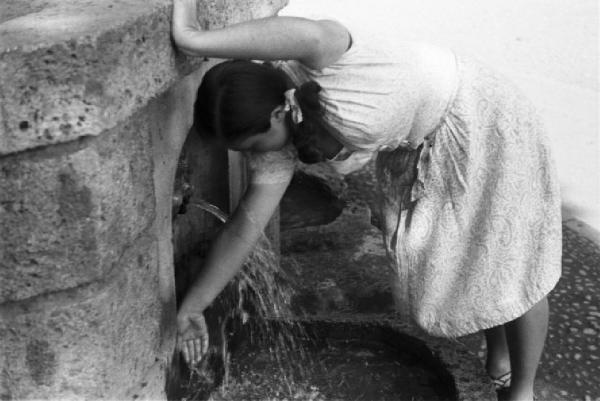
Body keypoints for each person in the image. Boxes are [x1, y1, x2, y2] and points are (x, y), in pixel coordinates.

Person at [171, 1, 562, 400]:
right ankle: (498, 358)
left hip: (479, 118)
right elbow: (243, 229)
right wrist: (193, 306)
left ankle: (523, 389)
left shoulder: (325, 63)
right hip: (423, 146)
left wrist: (192, 38)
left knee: (513, 262)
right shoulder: (278, 144)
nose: (251, 156)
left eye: (250, 145)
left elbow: (308, 32)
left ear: (275, 114)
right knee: (470, 256)